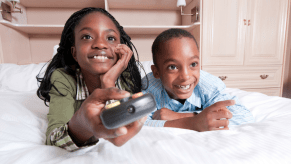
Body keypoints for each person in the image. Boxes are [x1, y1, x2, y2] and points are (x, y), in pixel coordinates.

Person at [37, 7, 146, 152]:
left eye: (110, 38)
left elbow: (120, 124)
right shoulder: (63, 78)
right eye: (87, 37)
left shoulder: (126, 78)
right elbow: (54, 139)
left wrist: (108, 82)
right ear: (74, 53)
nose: (100, 44)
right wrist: (82, 125)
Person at [142, 28, 254, 131]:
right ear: (157, 72)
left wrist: (188, 118)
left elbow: (244, 116)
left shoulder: (208, 85)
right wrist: (192, 123)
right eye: (173, 67)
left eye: (193, 64)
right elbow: (139, 123)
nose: (186, 76)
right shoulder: (149, 88)